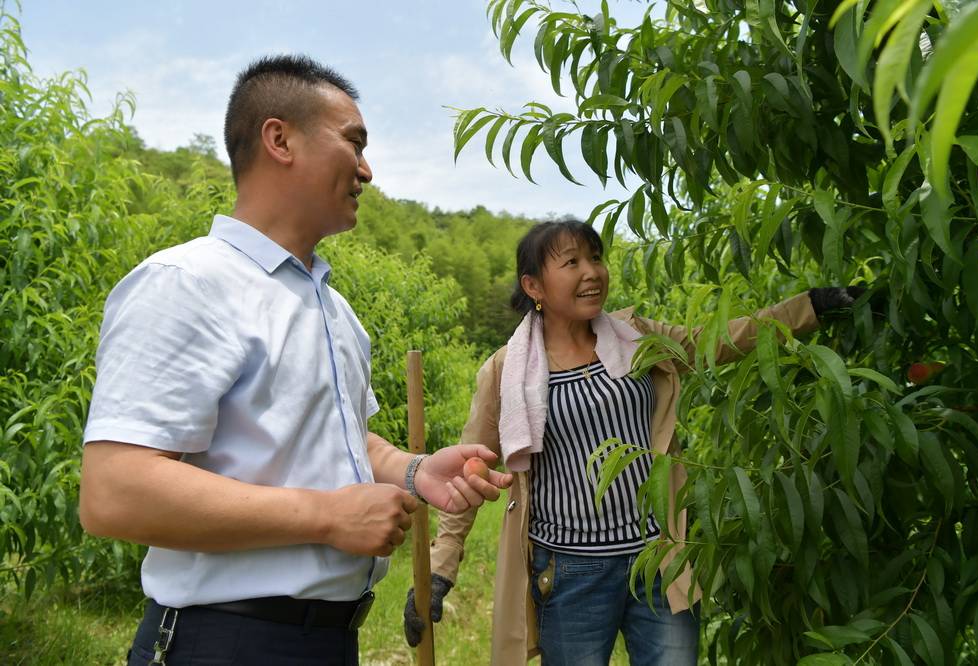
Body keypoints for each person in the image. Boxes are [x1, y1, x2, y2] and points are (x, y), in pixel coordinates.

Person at [78, 54, 512, 666]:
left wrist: (415, 471)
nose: (367, 168)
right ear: (279, 138)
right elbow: (114, 491)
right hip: (224, 640)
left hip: (330, 640)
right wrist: (326, 517)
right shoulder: (187, 283)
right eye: (353, 142)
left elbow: (343, 442)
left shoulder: (334, 310)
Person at [403, 220, 859, 665]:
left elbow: (713, 342)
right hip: (571, 571)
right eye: (572, 262)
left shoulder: (635, 337)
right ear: (534, 286)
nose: (592, 272)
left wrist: (809, 307)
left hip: (659, 558)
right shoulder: (508, 369)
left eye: (596, 258)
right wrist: (440, 569)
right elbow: (470, 470)